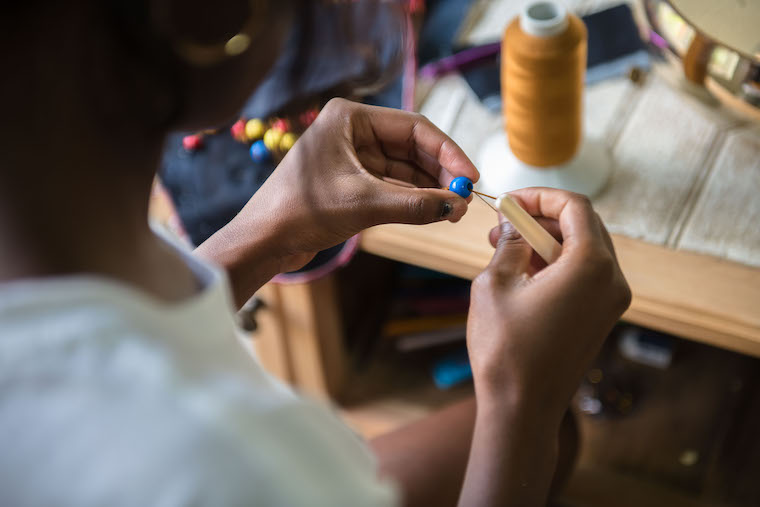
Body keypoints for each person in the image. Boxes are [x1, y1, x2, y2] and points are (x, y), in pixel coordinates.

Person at [0, 2, 631, 506]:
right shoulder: (227, 465)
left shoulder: (56, 225)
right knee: (548, 433)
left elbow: (120, 355)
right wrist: (522, 404)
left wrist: (268, 235)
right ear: (206, 19)